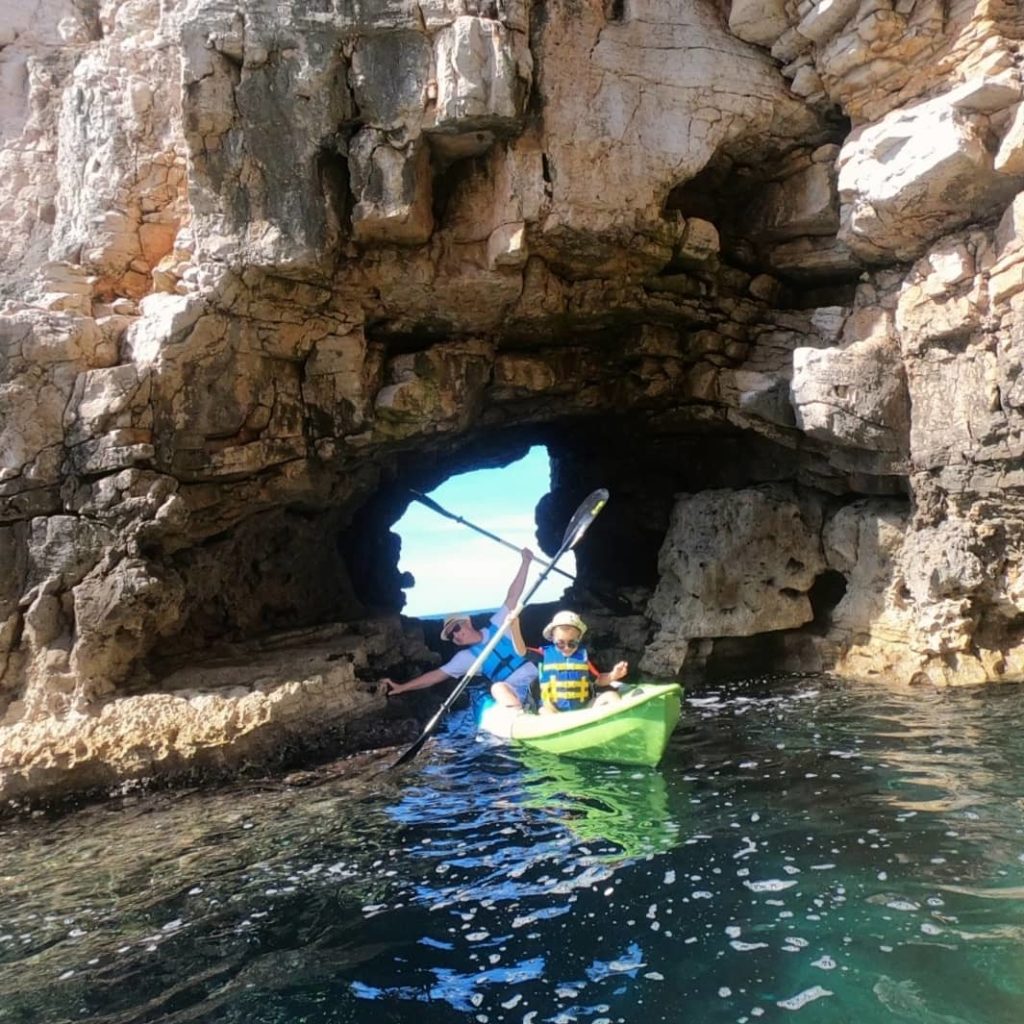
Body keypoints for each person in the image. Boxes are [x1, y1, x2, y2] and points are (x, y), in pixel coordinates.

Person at [380, 548, 538, 708]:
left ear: (467, 622)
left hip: (536, 675)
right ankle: (520, 715)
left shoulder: (498, 623)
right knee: (497, 688)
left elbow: (513, 595)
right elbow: (435, 676)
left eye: (456, 629)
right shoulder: (466, 658)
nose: (456, 636)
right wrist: (402, 687)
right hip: (514, 689)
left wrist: (525, 562)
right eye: (451, 637)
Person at [534, 610, 628, 714]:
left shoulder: (582, 658)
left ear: (579, 639)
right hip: (555, 711)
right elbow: (521, 651)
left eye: (572, 643)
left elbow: (598, 680)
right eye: (560, 643)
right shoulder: (544, 655)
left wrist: (613, 675)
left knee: (611, 696)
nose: (566, 648)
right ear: (553, 639)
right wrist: (514, 624)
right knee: (543, 710)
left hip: (584, 709)